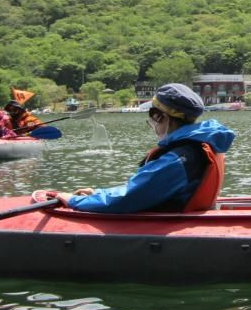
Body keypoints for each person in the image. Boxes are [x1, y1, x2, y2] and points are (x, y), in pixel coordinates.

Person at [49, 83, 235, 213]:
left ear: (162, 117)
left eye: (152, 118)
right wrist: (98, 193)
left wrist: (74, 200)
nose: (152, 124)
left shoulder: (177, 159)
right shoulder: (199, 145)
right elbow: (142, 187)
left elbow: (129, 198)